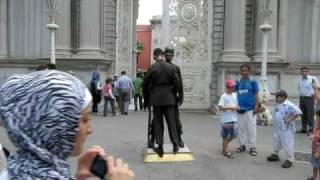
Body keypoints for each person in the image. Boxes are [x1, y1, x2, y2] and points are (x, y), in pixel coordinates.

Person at [0, 70, 134, 180]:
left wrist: (79, 177)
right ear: (54, 125)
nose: (90, 129)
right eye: (85, 119)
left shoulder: (16, 168)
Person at [142, 48, 180, 157]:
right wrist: (175, 94)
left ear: (155, 56)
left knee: (158, 123)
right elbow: (176, 82)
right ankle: (175, 144)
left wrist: (146, 98)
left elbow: (145, 84)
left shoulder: (152, 67)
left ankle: (160, 146)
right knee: (171, 122)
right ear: (163, 55)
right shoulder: (171, 67)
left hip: (156, 98)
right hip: (169, 97)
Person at [267, 89, 302, 168]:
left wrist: (290, 119)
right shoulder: (278, 103)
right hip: (277, 127)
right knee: (276, 141)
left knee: (287, 143)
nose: (275, 98)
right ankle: (275, 154)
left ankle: (289, 159)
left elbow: (298, 112)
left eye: (277, 96)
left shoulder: (289, 104)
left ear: (283, 97)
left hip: (286, 128)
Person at [235, 64, 259, 156]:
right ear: (240, 72)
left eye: (246, 70)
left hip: (250, 109)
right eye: (242, 70)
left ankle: (252, 147)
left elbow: (256, 94)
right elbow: (233, 93)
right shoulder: (238, 82)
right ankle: (242, 145)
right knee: (240, 129)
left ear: (249, 71)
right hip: (240, 109)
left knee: (251, 129)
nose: (244, 72)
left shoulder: (253, 82)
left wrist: (256, 106)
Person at [164, 47, 185, 148]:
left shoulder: (176, 68)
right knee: (156, 122)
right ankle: (152, 140)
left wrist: (181, 96)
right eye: (166, 54)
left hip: (172, 98)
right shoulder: (159, 66)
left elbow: (180, 83)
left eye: (170, 54)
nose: (168, 56)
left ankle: (179, 139)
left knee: (176, 121)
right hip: (160, 100)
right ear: (164, 55)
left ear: (173, 55)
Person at [218, 80, 239, 158]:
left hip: (234, 118)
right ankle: (225, 151)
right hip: (226, 120)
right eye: (230, 86)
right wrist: (230, 107)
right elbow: (220, 108)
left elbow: (236, 105)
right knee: (225, 136)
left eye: (233, 86)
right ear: (227, 87)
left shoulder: (235, 95)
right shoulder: (223, 96)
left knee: (234, 135)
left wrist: (236, 108)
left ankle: (225, 144)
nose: (232, 88)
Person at [297, 66, 319, 133]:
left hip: (309, 97)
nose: (304, 73)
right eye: (303, 71)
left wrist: (315, 94)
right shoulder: (300, 79)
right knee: (302, 113)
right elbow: (299, 88)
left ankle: (311, 128)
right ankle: (304, 128)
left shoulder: (312, 78)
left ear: (308, 72)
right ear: (301, 72)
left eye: (306, 71)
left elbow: (318, 87)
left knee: (310, 113)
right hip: (302, 97)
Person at [308, 109, 320, 180]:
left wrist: (318, 152)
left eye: (317, 117)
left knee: (318, 165)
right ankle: (314, 177)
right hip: (315, 148)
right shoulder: (318, 125)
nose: (316, 119)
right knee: (315, 164)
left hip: (318, 150)